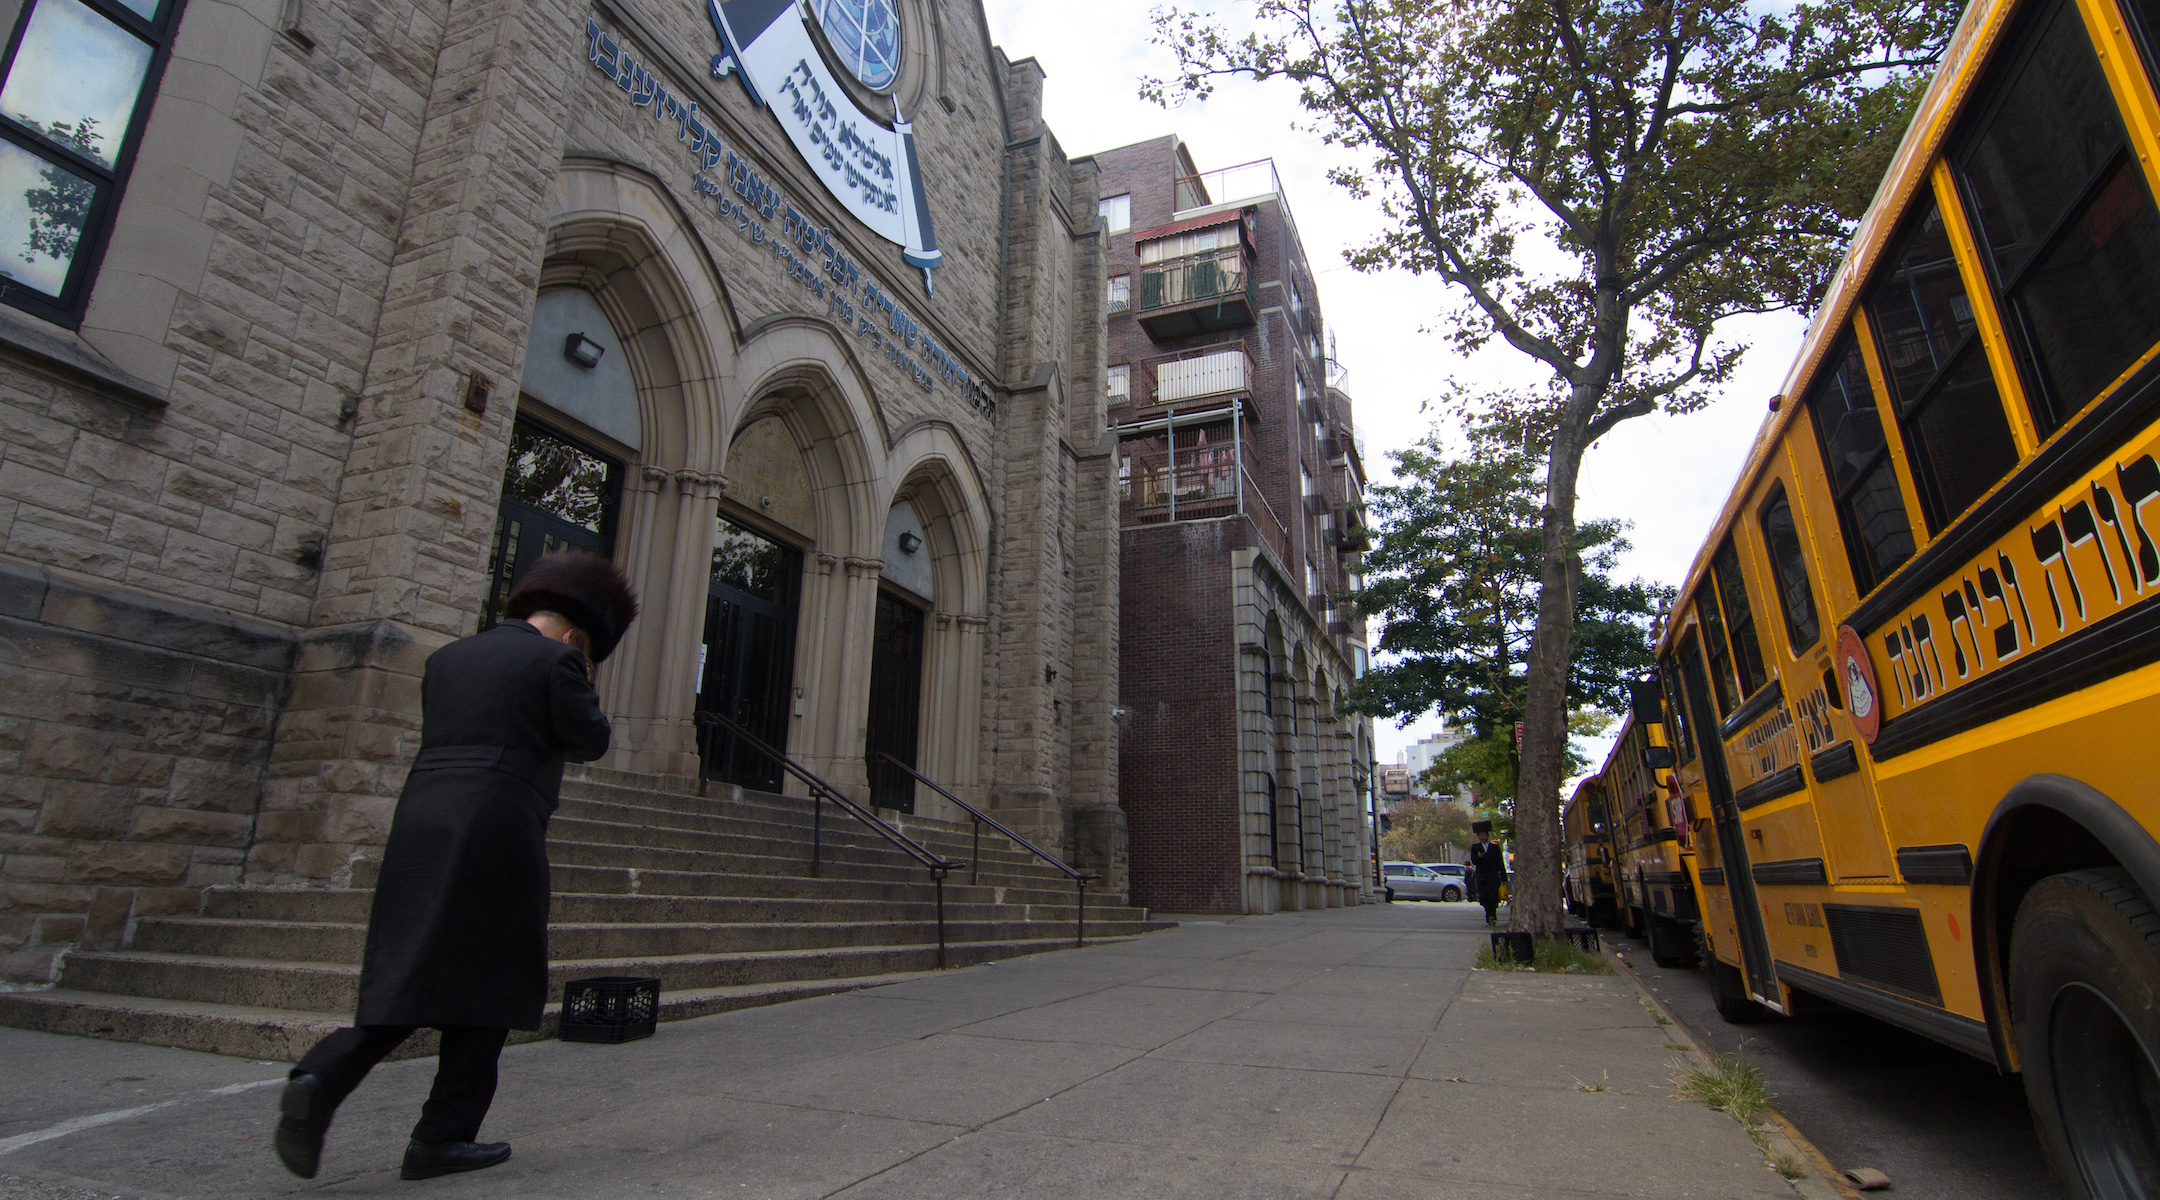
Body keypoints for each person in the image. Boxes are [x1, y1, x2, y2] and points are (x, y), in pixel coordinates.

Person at [274, 551, 638, 1182]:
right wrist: (581, 677)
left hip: (421, 818)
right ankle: (440, 1135)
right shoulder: (556, 660)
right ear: (579, 635)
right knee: (493, 977)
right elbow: (590, 738)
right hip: (497, 822)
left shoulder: (450, 658)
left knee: (417, 965)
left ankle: (322, 1076)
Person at [1469, 820, 1508, 926]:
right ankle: (1489, 914)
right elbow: (1474, 861)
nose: (1482, 837)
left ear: (1487, 835)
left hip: (1493, 877)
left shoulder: (1494, 847)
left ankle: (1493, 916)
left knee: (1493, 897)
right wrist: (1479, 857)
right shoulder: (1476, 848)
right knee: (1485, 898)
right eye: (1480, 835)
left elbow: (1500, 862)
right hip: (1482, 877)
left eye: (1483, 835)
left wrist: (1504, 878)